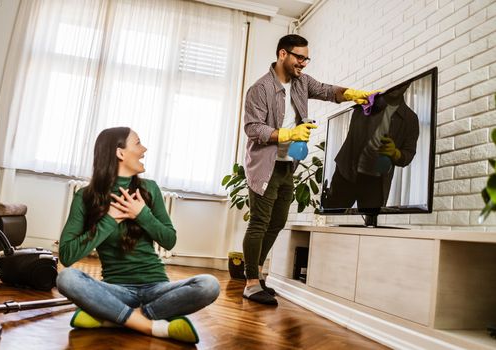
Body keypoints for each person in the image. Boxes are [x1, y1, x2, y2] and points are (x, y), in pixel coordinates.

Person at [242, 34, 378, 305]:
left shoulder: (302, 82)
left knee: (278, 221)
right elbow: (253, 129)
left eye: (306, 58)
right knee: (259, 222)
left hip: (286, 166)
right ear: (283, 54)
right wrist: (288, 133)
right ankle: (250, 283)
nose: (303, 63)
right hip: (264, 165)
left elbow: (328, 91)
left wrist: (354, 94)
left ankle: (257, 274)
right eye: (298, 57)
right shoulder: (260, 88)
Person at [57, 127, 220, 344]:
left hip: (157, 289)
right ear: (120, 153)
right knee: (66, 278)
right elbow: (66, 255)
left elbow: (169, 240)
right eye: (138, 143)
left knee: (209, 285)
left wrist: (141, 214)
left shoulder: (150, 189)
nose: (144, 149)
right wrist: (110, 220)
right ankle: (153, 326)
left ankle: (115, 318)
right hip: (116, 289)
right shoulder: (85, 197)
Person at [322, 82, 419, 210]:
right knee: (331, 213)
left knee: (371, 224)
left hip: (376, 183)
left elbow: (409, 153)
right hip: (346, 172)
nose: (399, 87)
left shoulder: (410, 118)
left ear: (408, 85)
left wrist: (395, 153)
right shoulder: (367, 101)